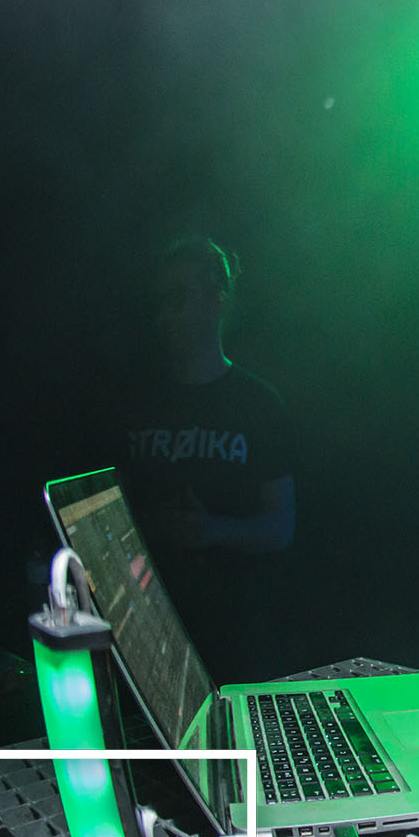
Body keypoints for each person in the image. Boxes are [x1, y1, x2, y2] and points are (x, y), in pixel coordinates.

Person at [120, 236, 296, 682]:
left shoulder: (258, 404)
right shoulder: (134, 404)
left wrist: (214, 530)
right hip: (148, 640)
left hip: (236, 643)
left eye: (179, 298)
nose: (164, 315)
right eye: (161, 301)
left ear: (217, 299)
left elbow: (280, 527)